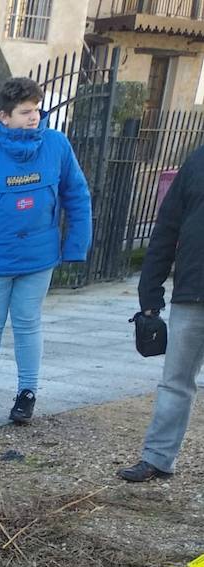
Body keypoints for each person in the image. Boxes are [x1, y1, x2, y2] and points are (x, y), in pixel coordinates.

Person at [0, 76, 92, 425]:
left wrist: (76, 246)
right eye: (25, 112)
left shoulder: (56, 145)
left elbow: (77, 194)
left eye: (36, 109)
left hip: (38, 255)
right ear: (4, 116)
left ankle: (27, 393)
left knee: (27, 322)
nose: (34, 116)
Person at [119, 146, 204, 482]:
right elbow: (167, 227)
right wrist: (150, 292)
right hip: (192, 291)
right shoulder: (198, 161)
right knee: (174, 382)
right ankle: (157, 457)